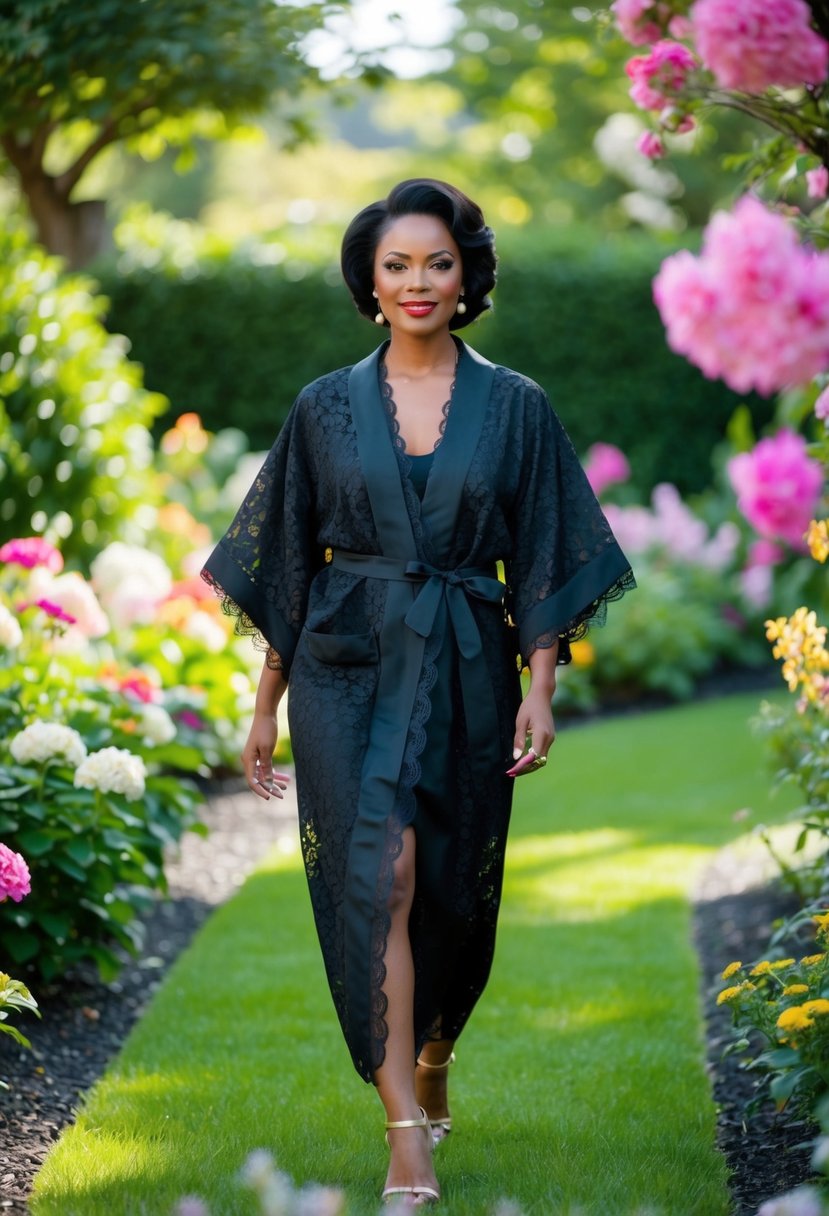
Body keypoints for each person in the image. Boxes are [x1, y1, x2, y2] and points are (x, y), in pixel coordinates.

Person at [201, 178, 634, 1206]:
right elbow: (287, 563)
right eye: (395, 265)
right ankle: (406, 1134)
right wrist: (265, 701)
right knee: (379, 876)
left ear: (466, 274)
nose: (416, 282)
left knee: (449, 890)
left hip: (468, 668)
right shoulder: (323, 407)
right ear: (369, 281)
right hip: (343, 665)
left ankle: (435, 1045)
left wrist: (542, 683)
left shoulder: (517, 407)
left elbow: (541, 553)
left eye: (436, 262)